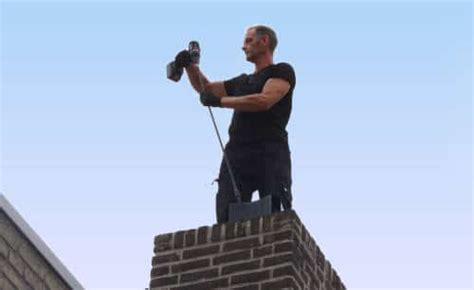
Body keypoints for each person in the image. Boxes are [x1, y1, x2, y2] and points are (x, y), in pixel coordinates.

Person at [174, 25, 296, 223]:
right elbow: (207, 89)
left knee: (276, 216)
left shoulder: (282, 71)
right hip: (237, 153)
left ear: (264, 41)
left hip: (270, 151)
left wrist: (221, 102)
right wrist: (190, 66)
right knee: (226, 216)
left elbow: (263, 101)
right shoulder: (242, 82)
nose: (243, 46)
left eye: (248, 41)